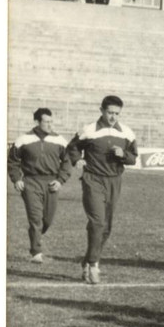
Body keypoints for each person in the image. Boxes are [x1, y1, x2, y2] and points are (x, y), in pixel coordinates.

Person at [66, 95, 138, 285]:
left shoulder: (127, 133)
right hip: (93, 179)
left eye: (117, 113)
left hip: (114, 181)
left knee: (106, 226)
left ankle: (87, 261)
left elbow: (133, 158)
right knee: (97, 221)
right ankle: (93, 264)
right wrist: (77, 159)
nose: (113, 117)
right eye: (110, 112)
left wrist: (123, 155)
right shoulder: (88, 130)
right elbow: (72, 147)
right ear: (101, 110)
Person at [8, 108, 72, 263]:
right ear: (37, 122)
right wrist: (17, 179)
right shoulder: (23, 139)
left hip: (51, 182)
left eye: (51, 121)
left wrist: (60, 180)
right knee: (35, 218)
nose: (50, 124)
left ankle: (35, 234)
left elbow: (67, 162)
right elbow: (13, 161)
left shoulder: (59, 140)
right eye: (46, 122)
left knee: (47, 220)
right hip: (31, 182)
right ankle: (36, 252)